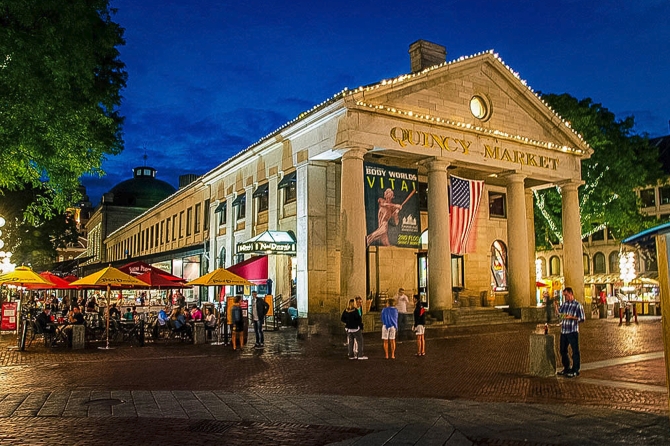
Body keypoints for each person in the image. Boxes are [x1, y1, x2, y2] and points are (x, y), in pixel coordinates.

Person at [557, 287, 585, 378]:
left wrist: (572, 317)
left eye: (566, 295)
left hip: (572, 331)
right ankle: (566, 367)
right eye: (564, 296)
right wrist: (556, 307)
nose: (565, 297)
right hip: (564, 330)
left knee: (575, 351)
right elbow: (560, 315)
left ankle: (575, 370)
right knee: (562, 350)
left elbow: (582, 318)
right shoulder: (565, 304)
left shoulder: (578, 305)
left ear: (571, 294)